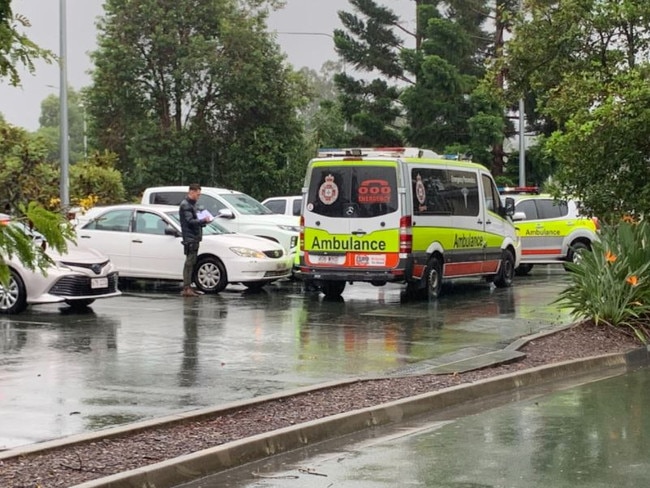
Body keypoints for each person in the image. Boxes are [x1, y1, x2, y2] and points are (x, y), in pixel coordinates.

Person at [179, 183, 212, 297]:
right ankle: (186, 287)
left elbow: (196, 219)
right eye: (197, 194)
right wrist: (203, 221)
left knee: (192, 262)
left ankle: (189, 286)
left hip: (195, 237)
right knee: (189, 263)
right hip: (190, 238)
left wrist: (203, 221)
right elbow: (190, 221)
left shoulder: (193, 205)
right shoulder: (186, 205)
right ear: (191, 192)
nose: (198, 196)